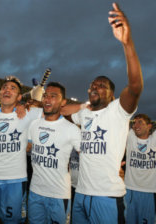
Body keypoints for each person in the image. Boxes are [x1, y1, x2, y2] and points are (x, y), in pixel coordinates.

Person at [61, 3, 143, 224]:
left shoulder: (118, 110)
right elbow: (64, 111)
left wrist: (127, 43)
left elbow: (135, 86)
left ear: (112, 93)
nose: (94, 87)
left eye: (100, 85)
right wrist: (81, 107)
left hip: (107, 197)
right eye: (92, 85)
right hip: (80, 193)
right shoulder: (85, 113)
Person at [0, 76, 43, 224]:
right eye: (5, 87)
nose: (7, 89)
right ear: (0, 93)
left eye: (12, 88)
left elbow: (51, 109)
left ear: (19, 97)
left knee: (12, 221)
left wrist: (34, 102)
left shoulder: (28, 113)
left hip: (15, 180)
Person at [27, 82, 81, 224]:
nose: (47, 99)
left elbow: (87, 156)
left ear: (63, 102)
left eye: (53, 96)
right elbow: (26, 148)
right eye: (45, 95)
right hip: (35, 191)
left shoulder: (72, 129)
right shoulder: (34, 124)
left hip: (59, 194)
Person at [124, 114, 156, 224]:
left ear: (149, 126)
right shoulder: (131, 137)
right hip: (130, 190)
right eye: (135, 122)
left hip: (150, 192)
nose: (136, 125)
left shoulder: (154, 140)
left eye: (141, 122)